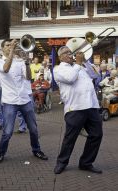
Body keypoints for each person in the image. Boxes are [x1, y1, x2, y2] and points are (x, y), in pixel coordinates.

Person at [0, 39, 48, 164]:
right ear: (2, 49)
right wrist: (12, 50)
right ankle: (0, 153)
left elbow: (28, 77)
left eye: (11, 45)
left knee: (33, 129)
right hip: (10, 100)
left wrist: (27, 63)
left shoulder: (20, 60)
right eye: (7, 45)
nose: (10, 46)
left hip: (25, 99)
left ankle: (36, 150)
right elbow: (6, 69)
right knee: (8, 131)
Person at [53, 46, 103, 174]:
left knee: (96, 135)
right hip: (75, 107)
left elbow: (95, 75)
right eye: (66, 53)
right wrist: (78, 63)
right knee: (70, 138)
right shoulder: (58, 69)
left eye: (70, 52)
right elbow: (70, 79)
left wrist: (85, 61)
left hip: (91, 105)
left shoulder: (80, 66)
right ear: (60, 57)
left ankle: (86, 163)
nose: (70, 54)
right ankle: (62, 163)